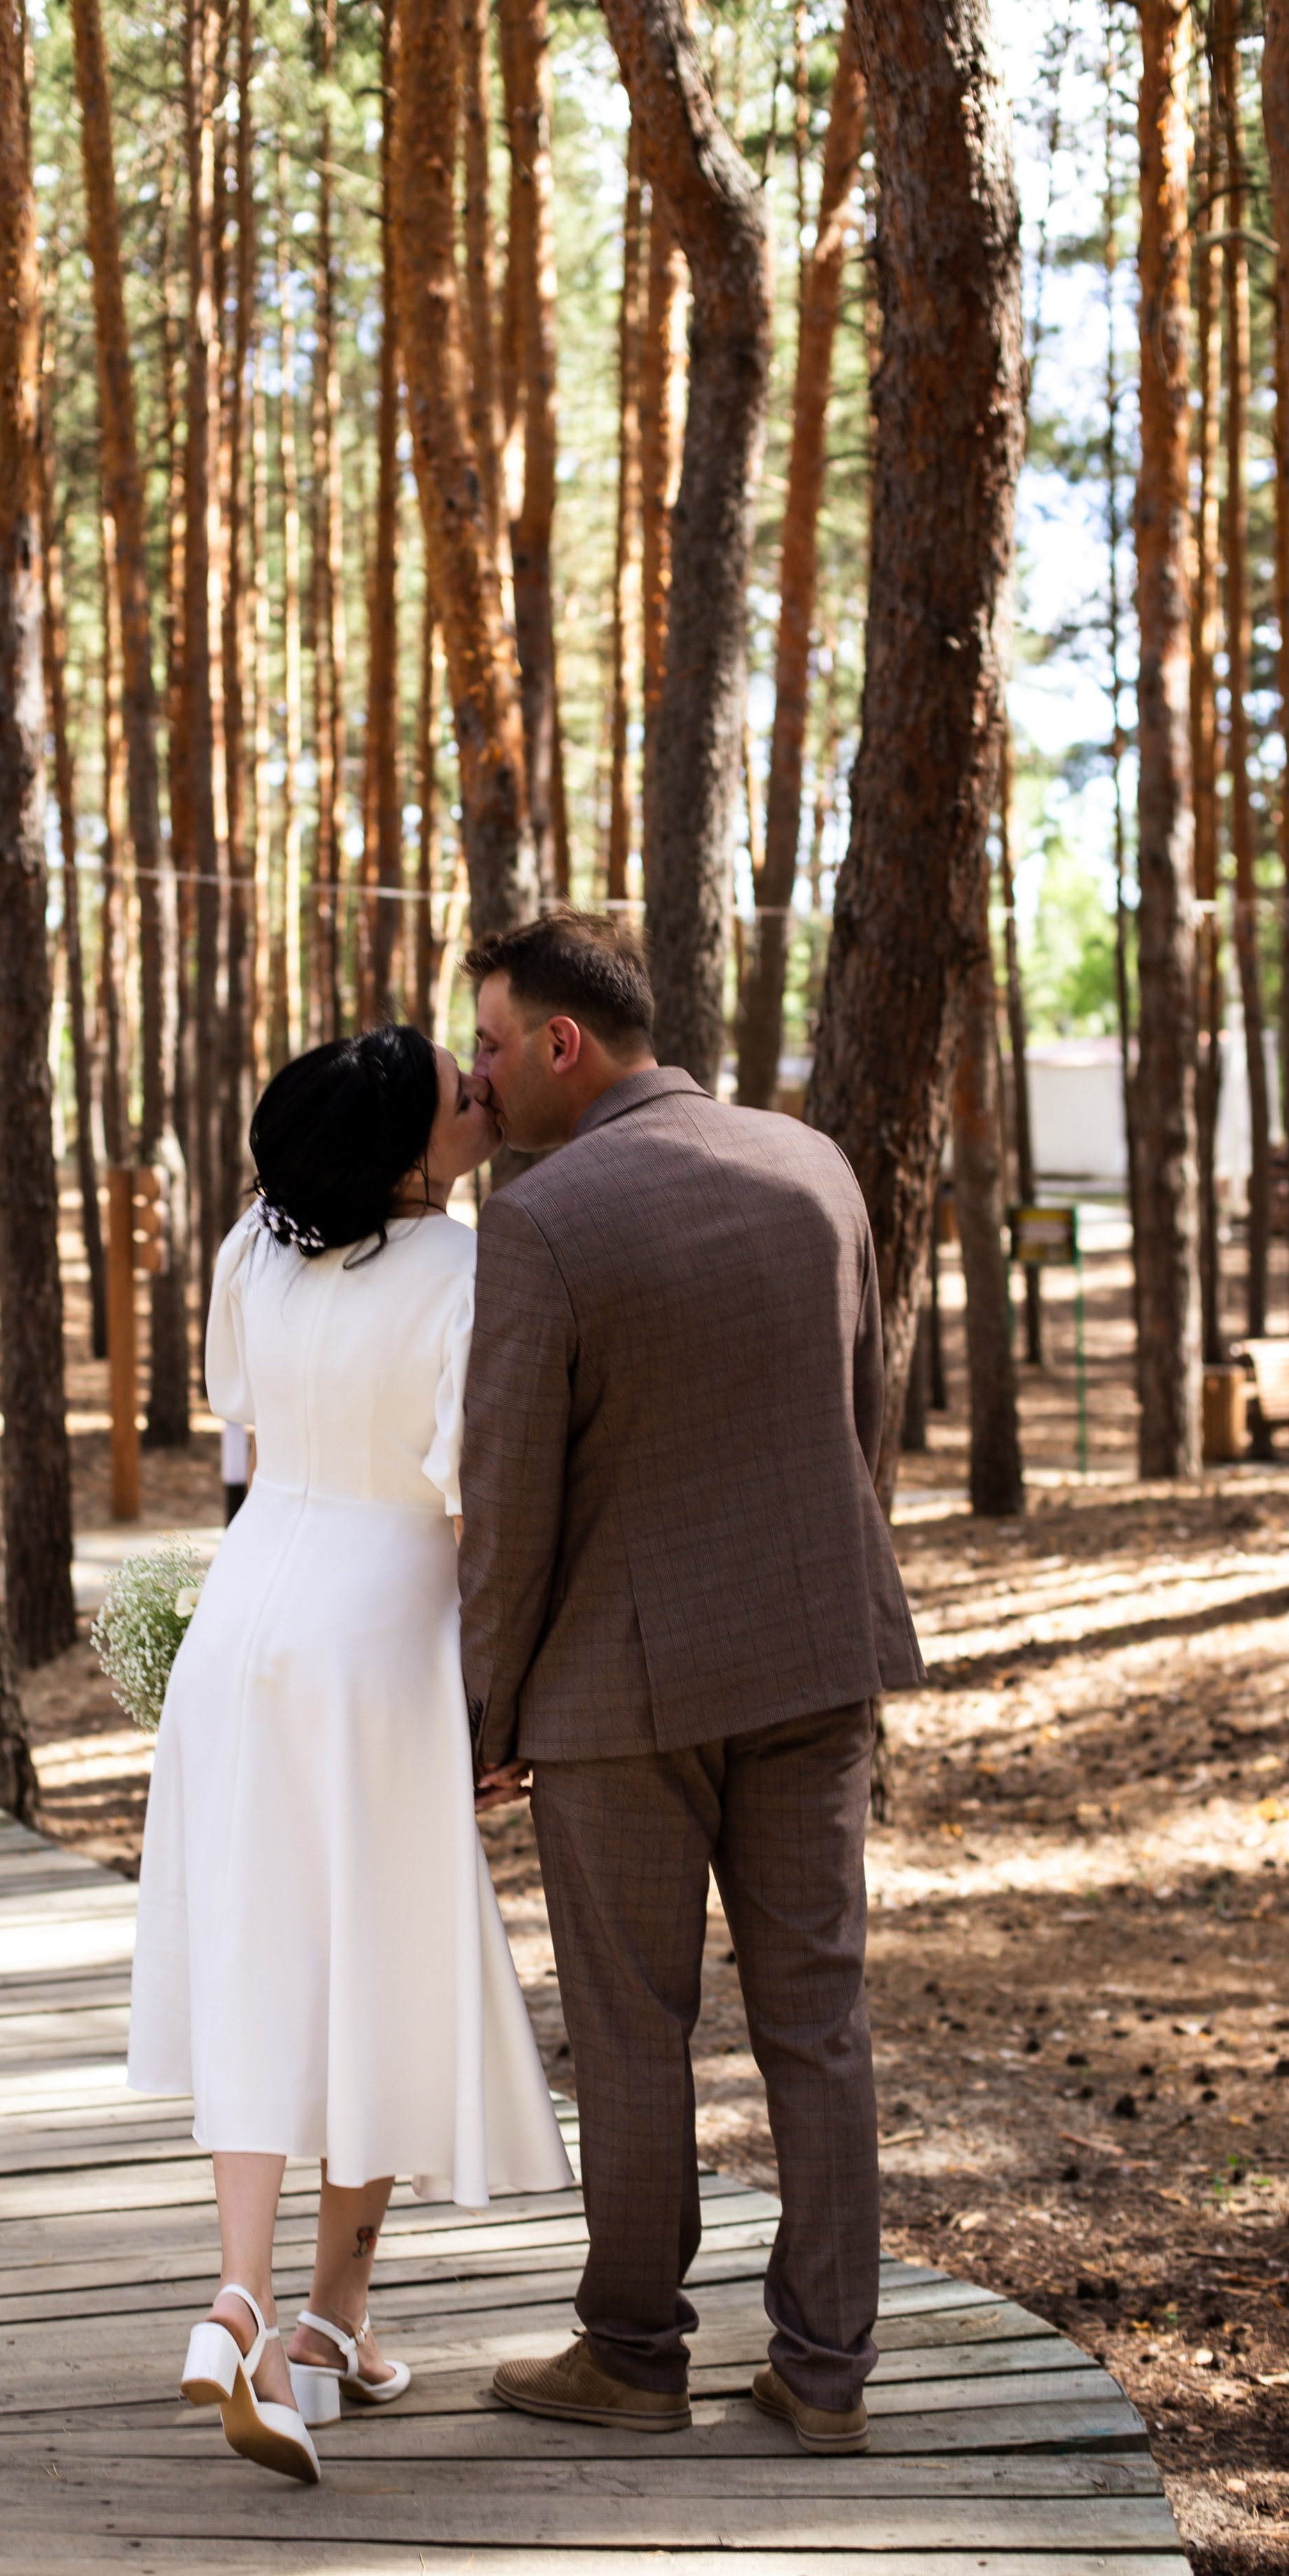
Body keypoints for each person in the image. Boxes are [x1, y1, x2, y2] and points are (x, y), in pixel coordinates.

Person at [459, 910, 922, 2456]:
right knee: (819, 2014)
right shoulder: (815, 1167)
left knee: (634, 2025)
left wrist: (481, 1717)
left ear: (562, 1044)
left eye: (491, 1044)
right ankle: (826, 2373)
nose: (482, 1076)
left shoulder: (541, 1221)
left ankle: (634, 2355)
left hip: (618, 1696)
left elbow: (509, 1502)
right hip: (813, 1651)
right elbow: (859, 1409)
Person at [128, 1022, 573, 2485]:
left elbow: (241, 1418)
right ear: (406, 1153)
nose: (481, 1094)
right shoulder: (467, 1270)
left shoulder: (252, 1247)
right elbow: (475, 1504)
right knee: (374, 1966)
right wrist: (484, 1697)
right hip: (378, 1631)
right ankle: (324, 2320)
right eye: (460, 1093)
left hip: (242, 1617)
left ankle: (244, 2301)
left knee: (261, 1954)